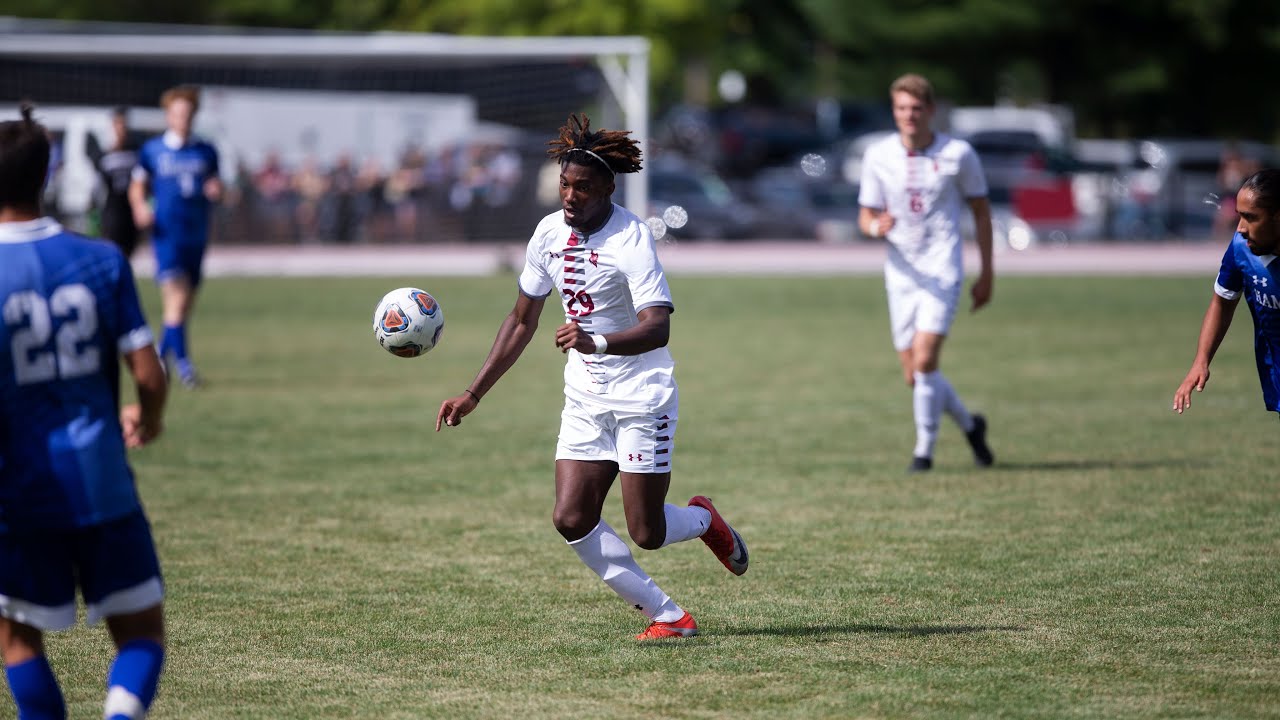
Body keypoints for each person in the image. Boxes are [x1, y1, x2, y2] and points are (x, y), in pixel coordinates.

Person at [435, 114, 748, 641]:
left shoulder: (632, 239)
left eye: (582, 186)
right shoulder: (548, 233)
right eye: (564, 183)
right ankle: (669, 616)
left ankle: (703, 521)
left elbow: (658, 327)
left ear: (608, 187)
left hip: (642, 397)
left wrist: (596, 340)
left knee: (646, 532)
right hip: (584, 397)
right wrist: (473, 393)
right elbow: (521, 320)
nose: (570, 195)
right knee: (571, 517)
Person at [0, 104, 169, 720]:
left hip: (17, 489)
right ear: (46, 176)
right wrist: (147, 417)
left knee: (18, 640)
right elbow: (149, 375)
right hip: (101, 478)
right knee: (141, 632)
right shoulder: (102, 260)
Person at [857, 73, 996, 473]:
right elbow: (866, 214)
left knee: (925, 357)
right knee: (915, 376)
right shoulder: (878, 155)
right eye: (902, 108)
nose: (909, 115)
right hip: (901, 274)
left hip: (943, 267)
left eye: (917, 108)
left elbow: (982, 213)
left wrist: (987, 274)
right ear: (894, 111)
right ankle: (972, 427)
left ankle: (924, 452)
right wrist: (873, 227)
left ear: (931, 111)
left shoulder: (959, 154)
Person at [128, 85, 222, 388]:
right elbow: (137, 186)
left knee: (183, 307)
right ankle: (184, 368)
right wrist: (140, 207)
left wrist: (216, 192)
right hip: (166, 236)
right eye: (178, 113)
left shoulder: (206, 151)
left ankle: (160, 357)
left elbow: (217, 186)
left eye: (188, 113)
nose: (184, 118)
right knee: (177, 301)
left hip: (196, 235)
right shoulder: (152, 150)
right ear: (169, 115)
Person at [1174, 169, 1280, 417]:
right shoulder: (1241, 249)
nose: (1241, 228)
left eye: (1251, 217)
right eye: (1239, 216)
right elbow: (1222, 303)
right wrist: (1201, 361)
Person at [93, 106, 140, 259]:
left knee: (128, 254)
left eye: (123, 124)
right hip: (112, 212)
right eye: (117, 124)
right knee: (112, 253)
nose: (121, 128)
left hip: (130, 212)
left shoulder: (136, 151)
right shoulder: (102, 155)